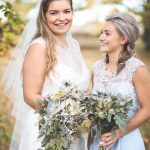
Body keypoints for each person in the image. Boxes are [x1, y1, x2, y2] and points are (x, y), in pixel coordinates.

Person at [2, 0, 89, 150]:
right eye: (54, 13)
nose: (62, 18)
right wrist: (65, 115)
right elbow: (30, 96)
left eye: (67, 11)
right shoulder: (39, 47)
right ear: (43, 15)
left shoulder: (74, 45)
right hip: (46, 131)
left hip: (74, 132)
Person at [89, 12, 150, 150]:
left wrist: (118, 133)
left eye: (107, 33)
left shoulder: (137, 69)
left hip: (127, 141)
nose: (101, 38)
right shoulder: (95, 69)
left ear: (123, 39)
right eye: (101, 33)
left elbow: (147, 109)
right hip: (99, 142)